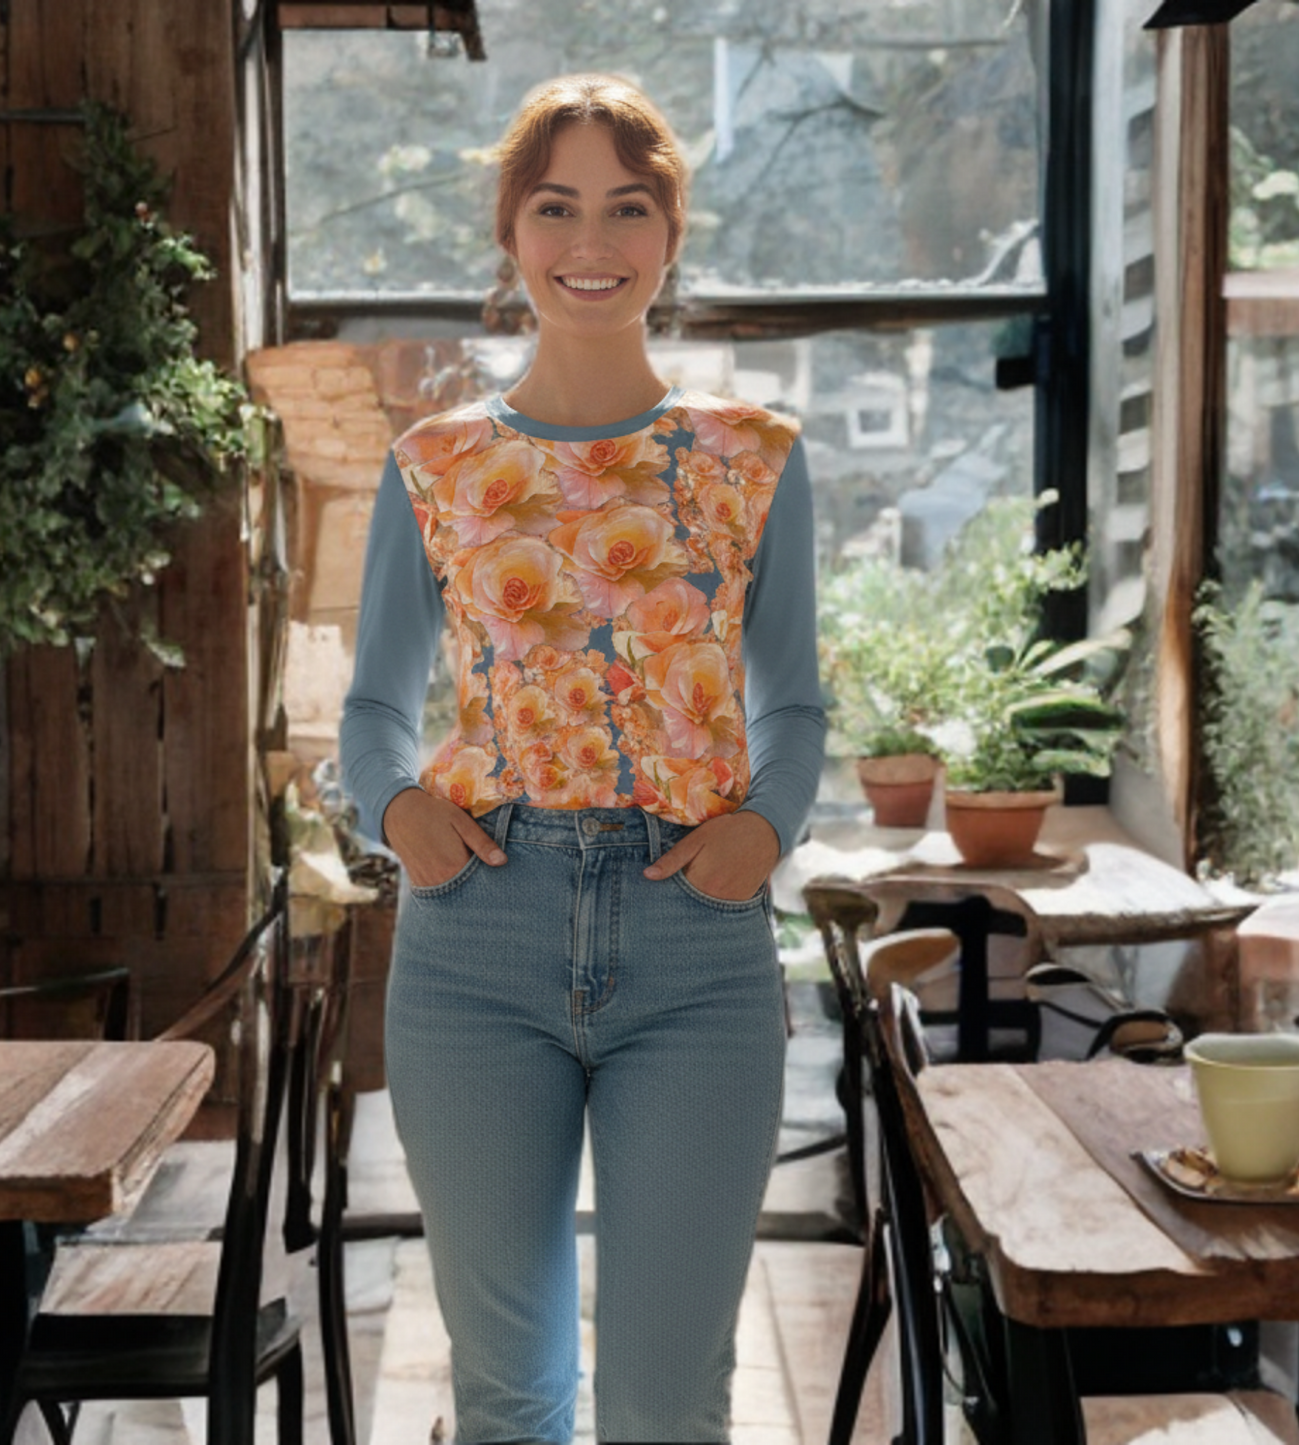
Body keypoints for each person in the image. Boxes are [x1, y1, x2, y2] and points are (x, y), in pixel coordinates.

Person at [340, 72, 826, 1445]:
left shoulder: (752, 457)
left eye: (628, 206)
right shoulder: (434, 465)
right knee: (509, 1397)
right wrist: (397, 810)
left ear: (670, 237)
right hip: (474, 946)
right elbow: (373, 706)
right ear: (512, 233)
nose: (590, 240)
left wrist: (769, 828)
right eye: (556, 206)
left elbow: (792, 702)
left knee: (670, 1403)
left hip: (699, 939)